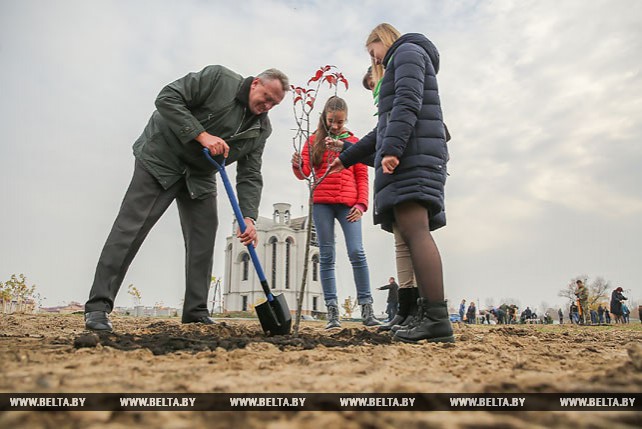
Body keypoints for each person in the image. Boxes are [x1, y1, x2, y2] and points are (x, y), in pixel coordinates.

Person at [84, 66, 289, 331]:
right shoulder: (218, 79)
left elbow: (250, 173)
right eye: (267, 96)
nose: (268, 105)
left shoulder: (261, 128)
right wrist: (201, 135)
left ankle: (196, 311)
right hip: (162, 157)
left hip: (201, 173)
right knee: (130, 229)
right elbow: (167, 97)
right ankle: (98, 307)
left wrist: (248, 216)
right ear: (255, 83)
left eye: (275, 103)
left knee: (204, 237)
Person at [329, 23, 452, 343]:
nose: (375, 59)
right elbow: (381, 130)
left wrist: (394, 150)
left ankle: (437, 319)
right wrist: (348, 156)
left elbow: (407, 103)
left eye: (373, 51)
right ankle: (426, 316)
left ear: (383, 40)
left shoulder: (408, 53)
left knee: (416, 232)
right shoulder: (401, 61)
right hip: (412, 153)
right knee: (411, 236)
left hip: (413, 156)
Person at [291, 96, 379, 329]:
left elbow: (362, 175)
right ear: (324, 117)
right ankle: (332, 313)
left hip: (349, 205)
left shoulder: (354, 142)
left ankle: (367, 309)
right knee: (327, 256)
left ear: (345, 120)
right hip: (322, 203)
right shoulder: (313, 140)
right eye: (332, 121)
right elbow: (305, 172)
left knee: (357, 252)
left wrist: (361, 205)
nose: (336, 126)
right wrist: (297, 163)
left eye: (340, 122)